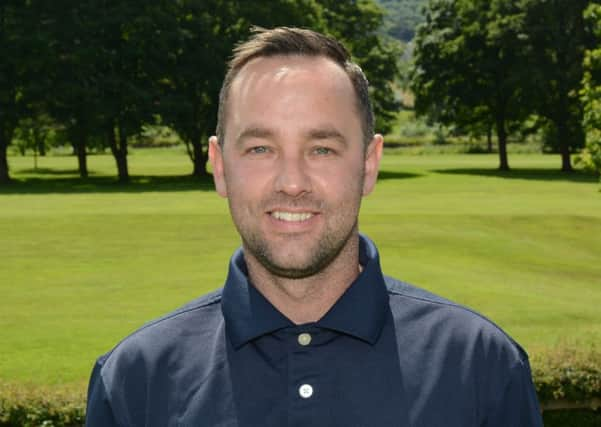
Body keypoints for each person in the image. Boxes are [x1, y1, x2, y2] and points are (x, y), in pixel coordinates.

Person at [85, 27, 543, 426]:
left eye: (321, 148)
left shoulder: (480, 366)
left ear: (368, 165)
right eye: (260, 148)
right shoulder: (134, 380)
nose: (292, 183)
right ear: (220, 167)